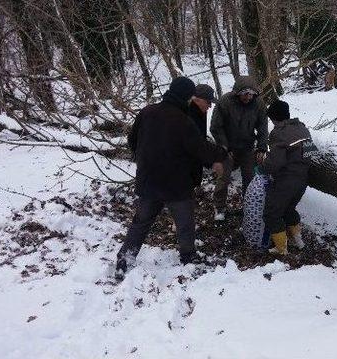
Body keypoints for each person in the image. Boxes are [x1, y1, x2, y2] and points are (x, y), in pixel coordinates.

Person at [115, 77, 226, 281]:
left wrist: (145, 160)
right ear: (186, 96)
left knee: (141, 222)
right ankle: (188, 257)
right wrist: (221, 155)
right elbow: (200, 148)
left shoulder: (147, 112)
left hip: (149, 180)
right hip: (176, 183)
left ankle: (124, 259)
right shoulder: (183, 121)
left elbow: (132, 140)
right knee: (185, 223)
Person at [260, 100, 317, 255]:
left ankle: (281, 250)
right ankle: (298, 241)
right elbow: (312, 153)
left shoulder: (278, 133)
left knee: (271, 213)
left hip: (286, 180)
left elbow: (275, 163)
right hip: (303, 179)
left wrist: (263, 165)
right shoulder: (302, 128)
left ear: (274, 118)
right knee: (289, 208)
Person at [210, 76, 268, 221]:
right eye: (245, 93)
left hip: (247, 147)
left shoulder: (258, 104)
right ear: (237, 92)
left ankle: (248, 207)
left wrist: (262, 148)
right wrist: (224, 146)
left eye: (251, 94)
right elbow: (216, 127)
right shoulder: (225, 102)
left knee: (249, 178)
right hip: (228, 147)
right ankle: (219, 208)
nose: (248, 97)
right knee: (224, 178)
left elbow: (262, 127)